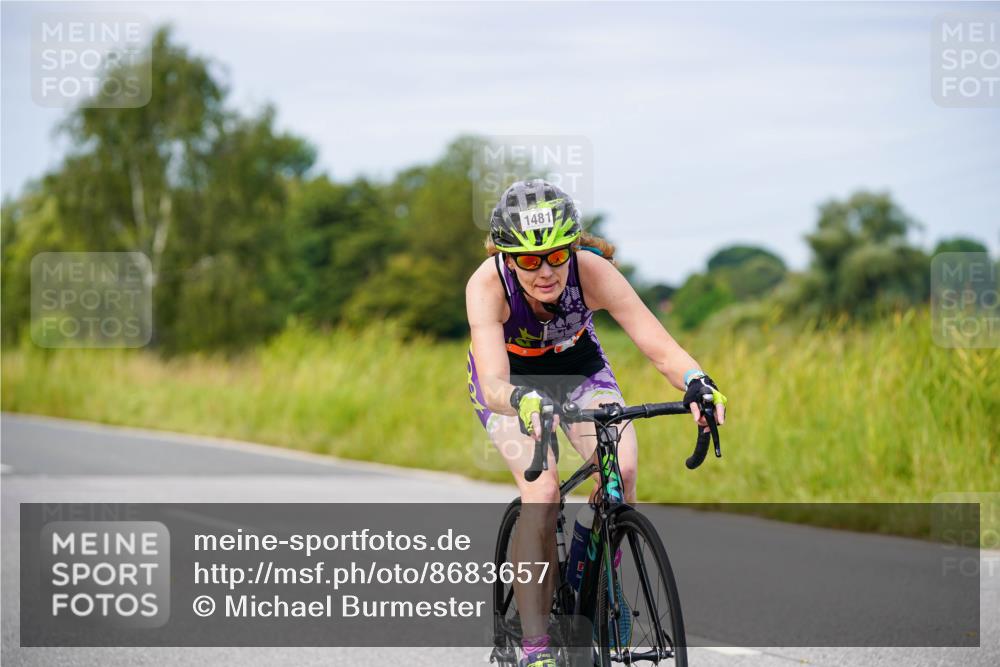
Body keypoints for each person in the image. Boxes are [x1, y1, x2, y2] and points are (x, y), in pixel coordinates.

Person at [466, 179, 726, 667]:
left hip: (580, 369)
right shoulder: (486, 285)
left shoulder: (593, 272)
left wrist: (698, 381)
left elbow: (660, 347)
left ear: (573, 247)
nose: (545, 271)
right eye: (528, 260)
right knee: (542, 493)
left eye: (556, 255)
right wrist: (520, 401)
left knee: (621, 470)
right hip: (513, 385)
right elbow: (493, 383)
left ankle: (601, 582)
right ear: (507, 257)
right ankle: (536, 647)